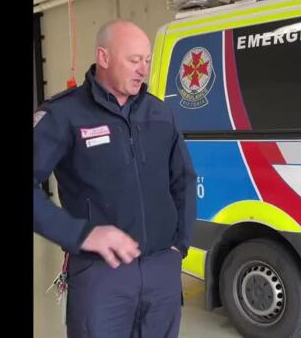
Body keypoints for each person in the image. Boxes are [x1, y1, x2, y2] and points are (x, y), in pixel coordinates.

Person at [33, 19, 196, 338]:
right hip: (100, 274)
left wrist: (180, 244)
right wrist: (80, 235)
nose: (143, 70)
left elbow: (184, 180)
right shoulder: (64, 115)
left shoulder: (160, 113)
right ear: (103, 58)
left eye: (147, 60)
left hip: (162, 269)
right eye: (134, 60)